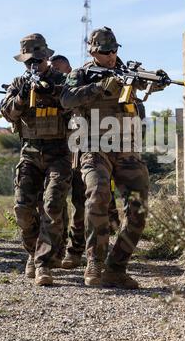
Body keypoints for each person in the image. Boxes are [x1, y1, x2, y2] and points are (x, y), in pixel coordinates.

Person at [60, 27, 150, 289]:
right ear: (92, 51)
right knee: (98, 195)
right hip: (93, 147)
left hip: (126, 147)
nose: (111, 56)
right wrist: (100, 87)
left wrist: (151, 82)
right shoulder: (81, 74)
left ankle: (116, 268)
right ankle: (94, 262)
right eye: (104, 52)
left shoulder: (127, 73)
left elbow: (142, 99)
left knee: (139, 209)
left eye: (114, 51)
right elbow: (66, 99)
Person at [0, 33, 72, 286]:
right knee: (22, 209)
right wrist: (21, 97)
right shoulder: (19, 82)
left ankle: (43, 263)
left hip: (58, 151)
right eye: (28, 61)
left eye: (37, 60)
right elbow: (7, 112)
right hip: (30, 151)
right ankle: (33, 252)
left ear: (46, 57)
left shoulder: (61, 79)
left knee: (52, 206)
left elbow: (76, 102)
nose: (33, 65)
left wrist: (53, 92)